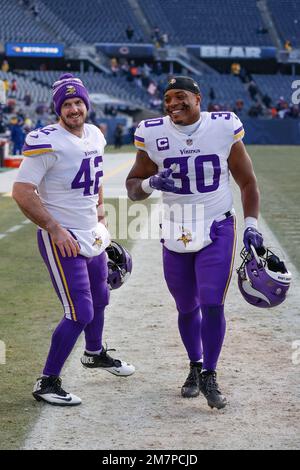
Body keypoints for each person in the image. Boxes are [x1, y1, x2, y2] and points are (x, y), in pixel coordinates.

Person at [126, 76, 263, 410]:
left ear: (198, 98)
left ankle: (211, 374)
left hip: (216, 225)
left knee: (212, 302)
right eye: (168, 98)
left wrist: (251, 224)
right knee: (186, 306)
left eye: (181, 97)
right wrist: (150, 183)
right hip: (175, 227)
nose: (173, 104)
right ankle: (195, 365)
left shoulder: (222, 127)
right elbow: (132, 187)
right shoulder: (152, 133)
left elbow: (247, 182)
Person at [12, 73, 135, 406]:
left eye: (78, 102)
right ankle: (47, 381)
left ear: (87, 105)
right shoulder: (46, 141)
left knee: (102, 298)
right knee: (80, 311)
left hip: (90, 233)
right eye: (66, 104)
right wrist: (53, 228)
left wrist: (100, 214)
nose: (74, 109)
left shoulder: (95, 133)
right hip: (62, 239)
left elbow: (94, 178)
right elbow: (22, 192)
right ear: (58, 109)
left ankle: (94, 353)